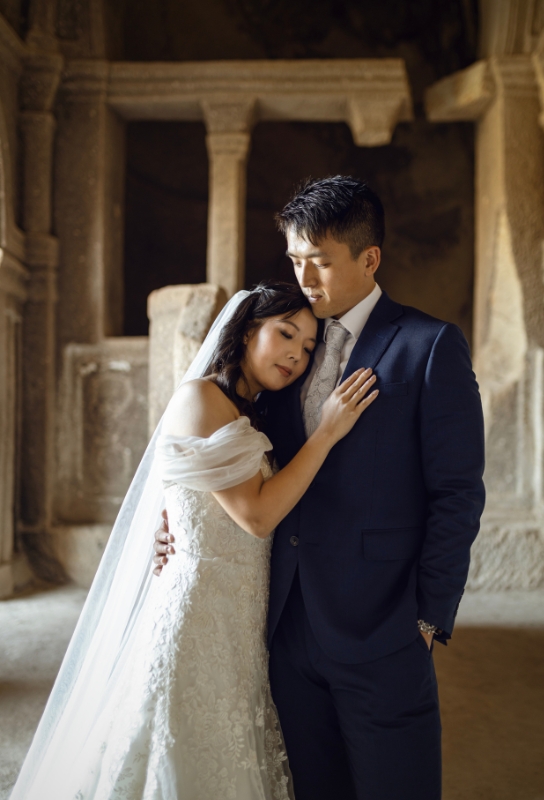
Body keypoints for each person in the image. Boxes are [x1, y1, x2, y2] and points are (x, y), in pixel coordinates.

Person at [157, 176, 485, 799]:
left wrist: (427, 619)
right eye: (295, 260)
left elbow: (458, 494)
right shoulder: (284, 348)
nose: (305, 278)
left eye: (321, 262)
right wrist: (177, 511)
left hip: (384, 630)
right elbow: (224, 444)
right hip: (281, 629)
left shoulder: (429, 346)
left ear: (369, 259)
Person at [11, 281, 379, 798]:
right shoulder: (201, 397)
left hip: (240, 620)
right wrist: (327, 431)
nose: (297, 354)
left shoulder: (254, 410)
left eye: (309, 348)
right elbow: (256, 516)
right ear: (250, 328)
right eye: (286, 333)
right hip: (197, 613)